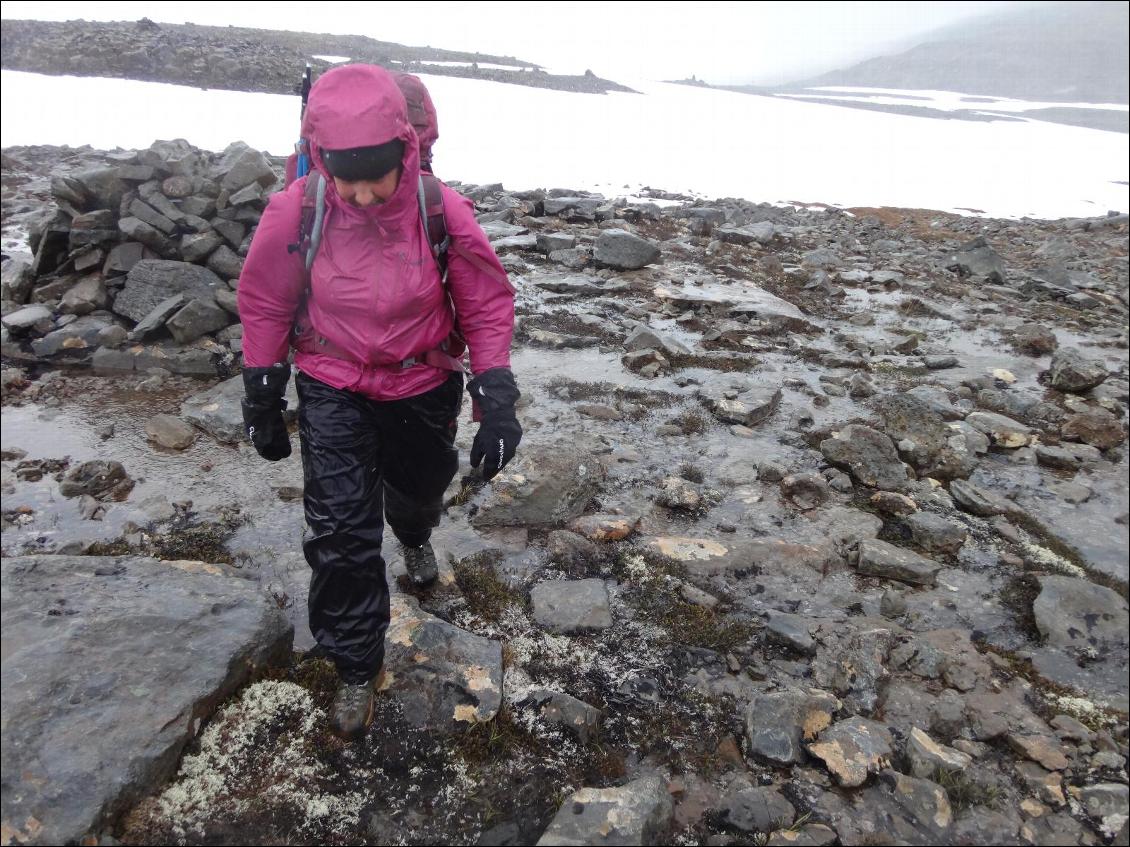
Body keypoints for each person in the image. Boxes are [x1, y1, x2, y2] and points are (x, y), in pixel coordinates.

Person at [237, 64, 522, 740]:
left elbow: (483, 299)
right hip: (332, 382)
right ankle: (356, 665)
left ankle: (417, 532)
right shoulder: (298, 207)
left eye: (376, 176)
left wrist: (497, 395)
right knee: (339, 532)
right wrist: (262, 387)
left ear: (406, 153)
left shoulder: (438, 207)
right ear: (323, 164)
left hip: (422, 380)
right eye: (346, 178)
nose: (361, 194)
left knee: (420, 489)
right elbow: (268, 297)